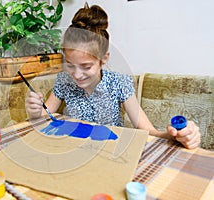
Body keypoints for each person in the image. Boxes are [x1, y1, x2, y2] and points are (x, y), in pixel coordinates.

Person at [25, 3, 200, 149]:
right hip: (70, 150)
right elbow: (45, 116)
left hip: (109, 153)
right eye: (70, 65)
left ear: (104, 59)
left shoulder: (120, 83)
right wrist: (35, 111)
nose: (77, 75)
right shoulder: (63, 80)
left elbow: (149, 131)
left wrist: (175, 136)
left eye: (86, 66)